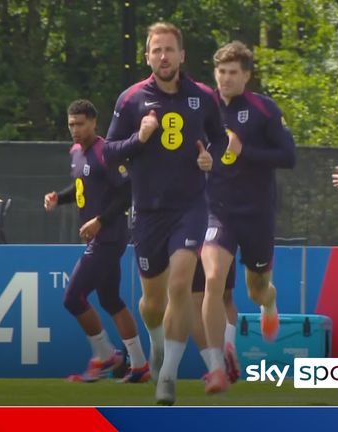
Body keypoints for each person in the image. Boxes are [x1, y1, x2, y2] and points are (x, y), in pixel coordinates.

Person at [103, 22, 225, 405]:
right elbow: (108, 152)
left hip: (190, 207)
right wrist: (139, 137)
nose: (164, 56)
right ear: (147, 56)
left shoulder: (202, 97)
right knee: (153, 302)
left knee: (181, 286)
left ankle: (167, 376)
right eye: (157, 50)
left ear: (182, 55)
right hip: (148, 213)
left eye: (170, 49)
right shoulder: (131, 100)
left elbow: (221, 141)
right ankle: (157, 344)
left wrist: (212, 159)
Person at [201, 41, 296, 375]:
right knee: (214, 281)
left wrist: (245, 152)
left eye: (232, 73)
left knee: (255, 290)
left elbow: (288, 157)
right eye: (221, 72)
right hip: (217, 211)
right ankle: (221, 358)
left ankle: (268, 301)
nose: (225, 79)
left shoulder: (264, 109)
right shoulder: (202, 107)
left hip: (256, 214)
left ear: (246, 76)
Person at [44, 99, 150, 383]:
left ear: (94, 123)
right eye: (71, 124)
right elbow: (82, 184)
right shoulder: (77, 152)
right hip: (99, 237)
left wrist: (100, 220)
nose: (75, 130)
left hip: (109, 236)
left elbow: (128, 191)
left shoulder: (106, 153)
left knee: (73, 298)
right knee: (110, 299)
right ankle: (139, 366)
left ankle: (106, 356)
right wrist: (60, 197)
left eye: (80, 124)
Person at [190, 259, 241, 384]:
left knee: (195, 305)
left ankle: (215, 368)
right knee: (226, 299)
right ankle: (229, 344)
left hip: (191, 244)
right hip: (220, 244)